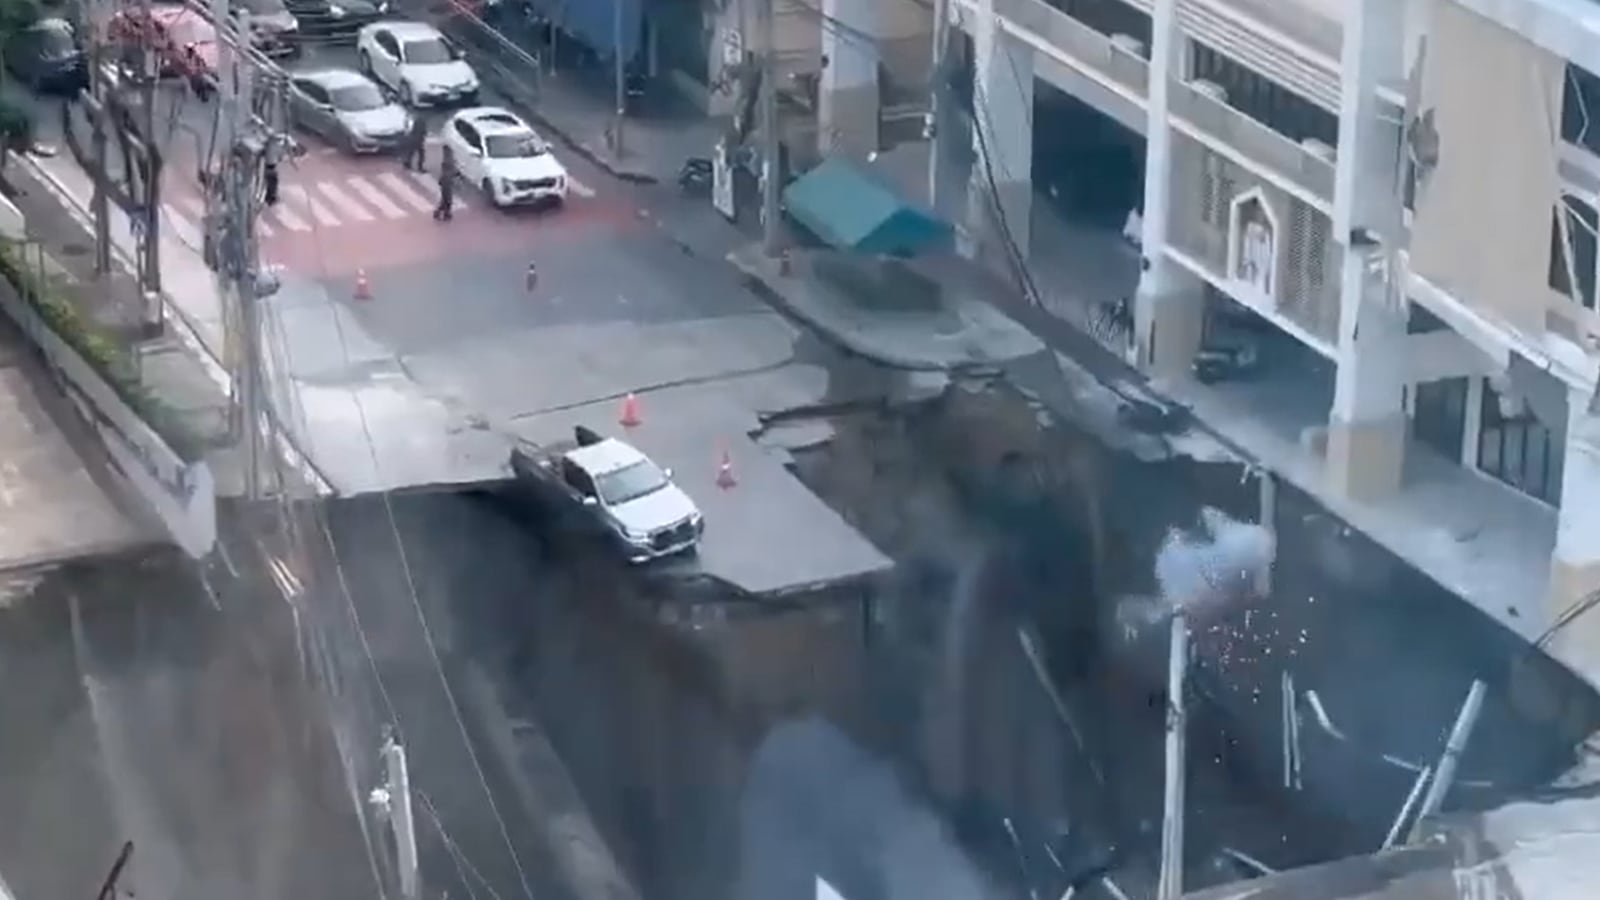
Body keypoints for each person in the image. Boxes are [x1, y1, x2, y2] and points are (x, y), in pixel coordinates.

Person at [434, 144, 456, 221]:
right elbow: (451, 171)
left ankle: (440, 213)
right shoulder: (448, 161)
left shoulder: (447, 160)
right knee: (447, 199)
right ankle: (446, 214)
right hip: (447, 182)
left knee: (445, 200)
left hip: (446, 182)